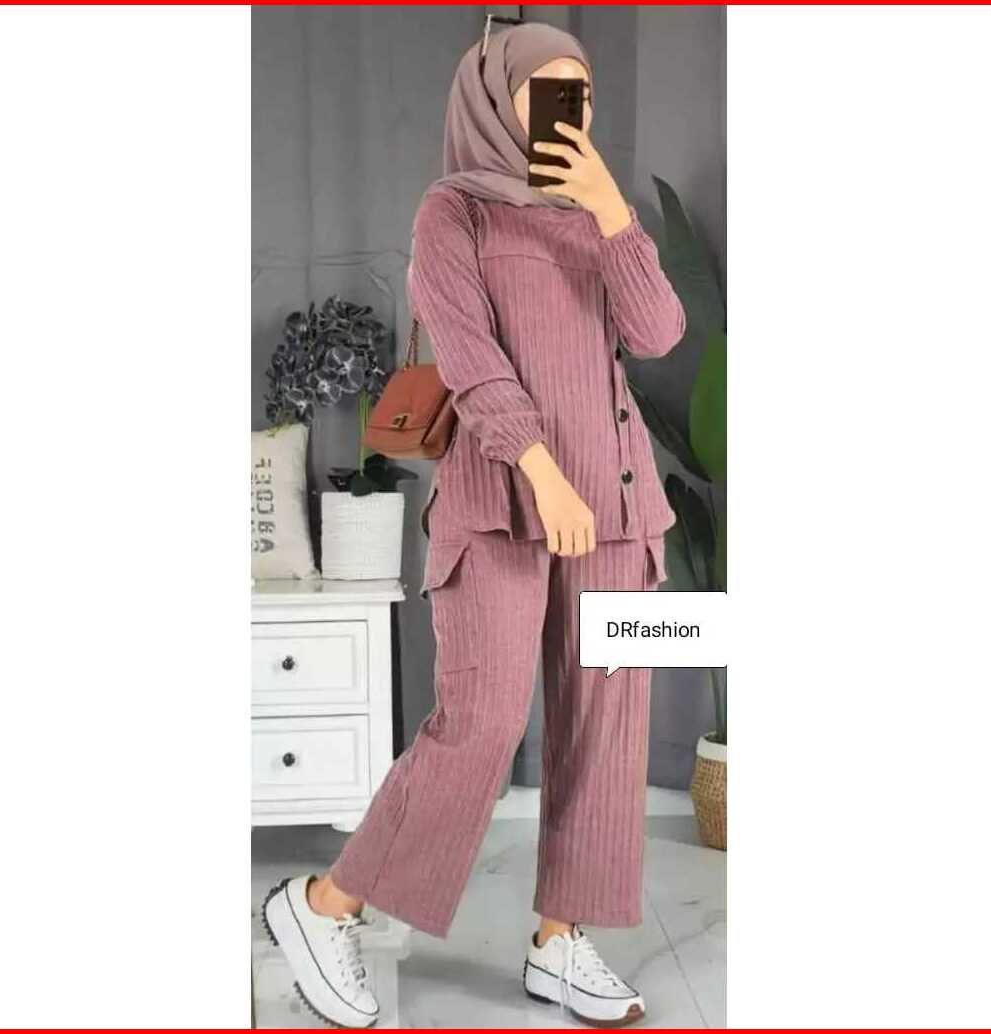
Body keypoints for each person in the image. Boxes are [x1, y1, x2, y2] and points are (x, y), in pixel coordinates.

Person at [262, 21, 686, 1029]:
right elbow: (472, 363)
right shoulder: (452, 211)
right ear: (497, 99)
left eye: (583, 96)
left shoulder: (598, 215)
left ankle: (559, 940)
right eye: (551, 95)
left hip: (620, 507)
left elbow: (660, 332)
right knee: (482, 720)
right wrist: (546, 474)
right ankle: (323, 905)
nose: (572, 115)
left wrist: (612, 214)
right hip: (503, 503)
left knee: (606, 722)